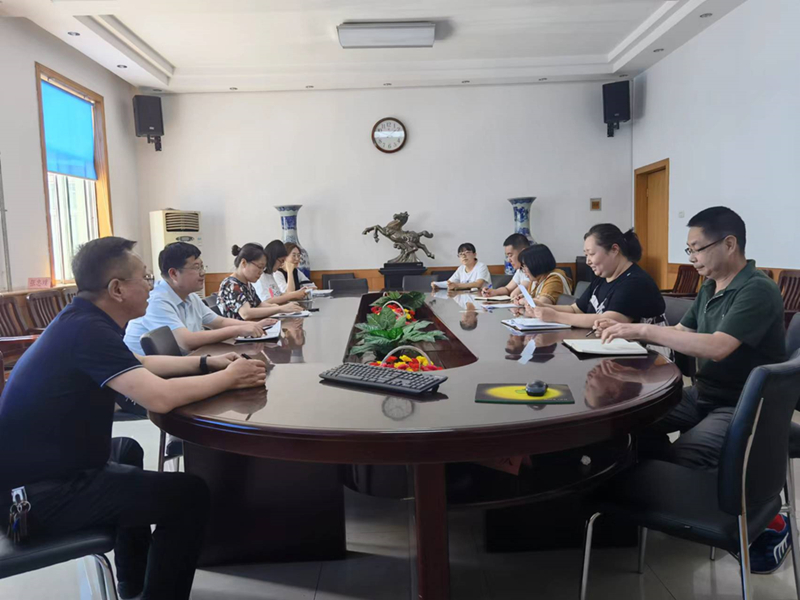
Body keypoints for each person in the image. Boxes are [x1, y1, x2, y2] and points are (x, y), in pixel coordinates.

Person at [0, 237, 267, 600]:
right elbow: (159, 397)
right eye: (145, 278)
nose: (151, 286)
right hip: (23, 510)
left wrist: (209, 363)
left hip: (35, 483)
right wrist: (230, 378)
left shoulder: (83, 320)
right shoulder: (86, 330)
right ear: (117, 289)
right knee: (189, 495)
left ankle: (132, 581)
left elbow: (138, 362)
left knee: (125, 449)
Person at [595, 207, 788, 573]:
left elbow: (717, 347)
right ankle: (651, 498)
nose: (692, 258)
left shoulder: (757, 289)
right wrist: (629, 337)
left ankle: (767, 522)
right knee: (631, 422)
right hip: (704, 393)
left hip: (741, 404)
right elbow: (683, 332)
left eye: (697, 249)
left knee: (680, 459)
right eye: (689, 250)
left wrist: (643, 330)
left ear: (729, 244)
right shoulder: (711, 285)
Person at [124, 242, 277, 355]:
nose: (203, 273)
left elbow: (219, 322)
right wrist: (239, 329)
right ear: (174, 274)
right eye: (196, 267)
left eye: (202, 266)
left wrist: (254, 325)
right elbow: (187, 341)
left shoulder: (190, 296)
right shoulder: (157, 301)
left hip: (183, 362)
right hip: (151, 376)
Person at [530, 224, 665, 329]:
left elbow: (609, 320)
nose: (587, 261)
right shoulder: (602, 279)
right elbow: (576, 310)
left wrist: (555, 316)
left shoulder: (635, 282)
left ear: (614, 250)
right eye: (586, 255)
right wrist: (541, 307)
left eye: (591, 254)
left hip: (647, 352)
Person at [219, 243, 303, 320]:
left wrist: (275, 306)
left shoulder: (247, 284)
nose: (261, 272)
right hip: (239, 330)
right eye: (259, 267)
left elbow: (259, 304)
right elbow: (246, 313)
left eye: (263, 268)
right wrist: (280, 309)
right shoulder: (231, 284)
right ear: (244, 263)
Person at [515, 244, 573, 308]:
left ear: (536, 263)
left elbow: (541, 304)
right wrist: (523, 297)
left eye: (525, 266)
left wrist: (524, 301)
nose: (523, 270)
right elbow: (533, 298)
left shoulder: (555, 278)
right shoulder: (536, 279)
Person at [481, 233, 531, 298]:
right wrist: (493, 292)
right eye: (507, 256)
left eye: (510, 255)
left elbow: (514, 294)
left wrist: (514, 294)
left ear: (523, 252)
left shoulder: (532, 271)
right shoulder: (520, 270)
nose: (509, 260)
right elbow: (507, 289)